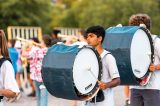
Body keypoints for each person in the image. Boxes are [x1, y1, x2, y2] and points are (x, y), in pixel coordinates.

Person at [83, 25, 120, 106]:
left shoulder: (108, 57)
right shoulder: (85, 56)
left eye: (91, 36)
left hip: (104, 102)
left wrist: (106, 85)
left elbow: (117, 80)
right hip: (88, 101)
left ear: (100, 39)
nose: (88, 39)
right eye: (87, 36)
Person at [129, 13, 160, 106]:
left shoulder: (157, 41)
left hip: (152, 87)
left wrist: (155, 67)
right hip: (135, 87)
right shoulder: (132, 42)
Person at [0, 29, 20, 106]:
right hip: (15, 66)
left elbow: (13, 92)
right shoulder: (15, 51)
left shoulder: (5, 64)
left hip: (12, 67)